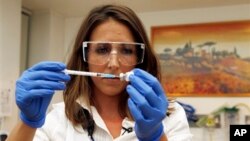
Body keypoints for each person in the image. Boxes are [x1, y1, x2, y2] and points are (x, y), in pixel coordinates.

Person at [7, 4, 192, 141]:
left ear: (139, 58)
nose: (113, 64)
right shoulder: (58, 120)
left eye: (126, 50)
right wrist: (27, 122)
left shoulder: (171, 116)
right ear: (84, 57)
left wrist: (156, 136)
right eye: (102, 50)